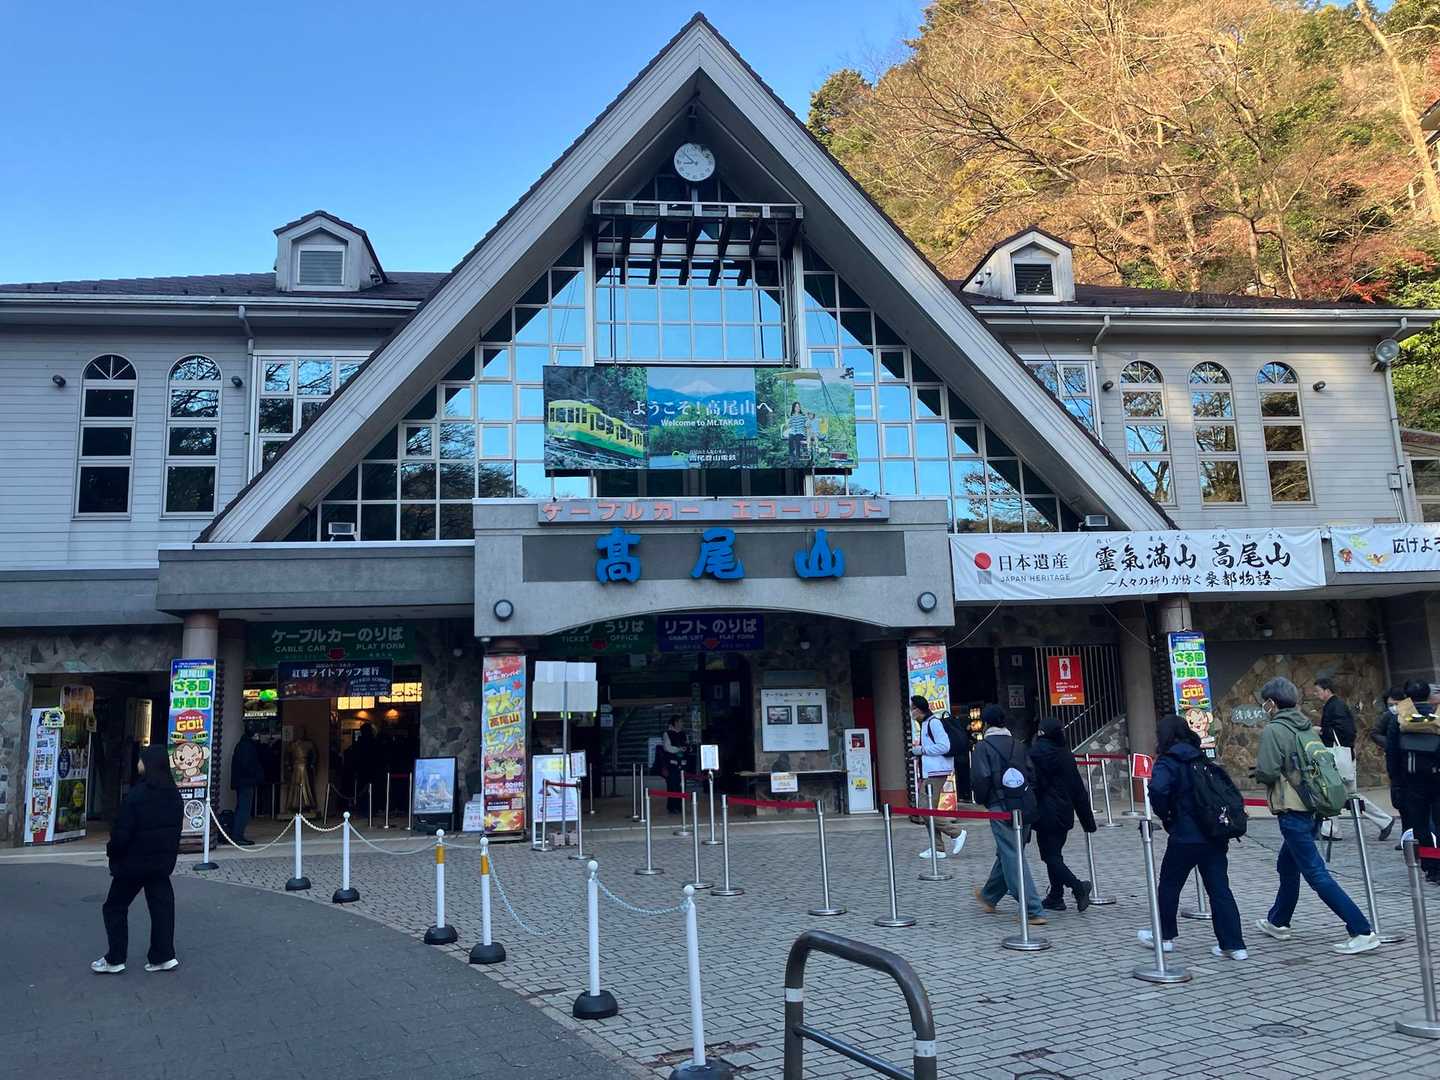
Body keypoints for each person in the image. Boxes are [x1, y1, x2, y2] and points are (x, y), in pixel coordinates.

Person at [1254, 677, 1379, 953]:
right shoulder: (1305, 726)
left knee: (1316, 873)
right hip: (1313, 806)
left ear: (1271, 702)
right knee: (1287, 866)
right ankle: (1278, 921)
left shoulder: (1275, 730)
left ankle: (1361, 930)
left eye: (1266, 702)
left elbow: (1268, 771)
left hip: (1292, 808)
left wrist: (1260, 772)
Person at [1146, 714, 1248, 959]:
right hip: (1214, 833)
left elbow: (1158, 790)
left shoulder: (1168, 761)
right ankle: (1234, 945)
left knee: (1170, 884)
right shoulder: (1201, 757)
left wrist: (1167, 815)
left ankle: (1165, 936)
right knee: (1219, 888)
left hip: (1185, 835)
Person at [93, 744, 183, 974]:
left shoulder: (137, 795)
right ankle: (164, 955)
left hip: (133, 863)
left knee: (115, 907)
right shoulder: (174, 795)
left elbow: (122, 832)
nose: (138, 763)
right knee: (162, 908)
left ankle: (115, 958)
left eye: (141, 759)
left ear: (149, 764)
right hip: (160, 864)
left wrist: (113, 852)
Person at [970, 705, 1046, 926]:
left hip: (1000, 805)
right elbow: (1031, 774)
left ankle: (1032, 908)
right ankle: (989, 896)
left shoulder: (983, 747)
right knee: (1009, 851)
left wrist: (984, 801)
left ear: (986, 723)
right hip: (1024, 804)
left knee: (1011, 854)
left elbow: (981, 778)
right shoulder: (1018, 744)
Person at [1029, 715, 1095, 911]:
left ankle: (1078, 887)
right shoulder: (1065, 754)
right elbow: (1078, 790)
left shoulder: (1034, 754)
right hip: (1064, 811)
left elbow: (1034, 786)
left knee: (1050, 856)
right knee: (1055, 854)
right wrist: (1088, 821)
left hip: (1044, 812)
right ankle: (1056, 896)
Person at [1315, 677, 1393, 841]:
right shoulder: (1335, 705)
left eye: (1318, 691)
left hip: (1339, 756)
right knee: (1347, 794)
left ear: (1327, 690)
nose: (1316, 694)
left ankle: (1332, 830)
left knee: (1333, 791)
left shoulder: (1335, 706)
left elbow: (1346, 732)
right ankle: (1383, 820)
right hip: (1343, 756)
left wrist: (1321, 731)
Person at [1386, 678, 1440, 883]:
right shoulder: (1437, 716)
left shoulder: (1399, 719)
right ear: (1428, 695)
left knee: (1420, 826)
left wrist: (1395, 780)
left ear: (1407, 697)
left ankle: (1431, 867)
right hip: (1437, 777)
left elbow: (1392, 753)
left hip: (1412, 781)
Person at [910, 695, 966, 859]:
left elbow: (944, 746)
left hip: (936, 772)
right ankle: (938, 848)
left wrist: (922, 750)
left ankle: (956, 833)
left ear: (919, 709)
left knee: (924, 810)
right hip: (930, 772)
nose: (911, 712)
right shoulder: (925, 723)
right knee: (928, 810)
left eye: (912, 708)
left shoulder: (933, 723)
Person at [1372, 686, 1410, 851]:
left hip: (1414, 765)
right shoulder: (1388, 717)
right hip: (1397, 767)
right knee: (1402, 805)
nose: (1394, 707)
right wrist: (1390, 745)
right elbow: (1375, 733)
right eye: (1390, 704)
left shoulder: (1412, 714)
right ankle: (1406, 837)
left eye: (1396, 703)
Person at [229, 723, 263, 845]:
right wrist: (257, 775)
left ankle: (237, 834)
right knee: (244, 809)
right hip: (246, 782)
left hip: (242, 781)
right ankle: (238, 836)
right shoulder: (247, 747)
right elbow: (249, 765)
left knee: (242, 808)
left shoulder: (242, 745)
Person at [661, 716, 687, 815]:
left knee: (681, 786)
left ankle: (679, 806)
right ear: (675, 723)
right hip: (672, 764)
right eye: (680, 722)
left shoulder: (683, 734)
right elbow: (667, 748)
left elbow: (686, 745)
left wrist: (686, 749)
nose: (682, 724)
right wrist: (679, 749)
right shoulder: (667, 734)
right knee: (672, 786)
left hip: (682, 763)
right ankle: (672, 807)